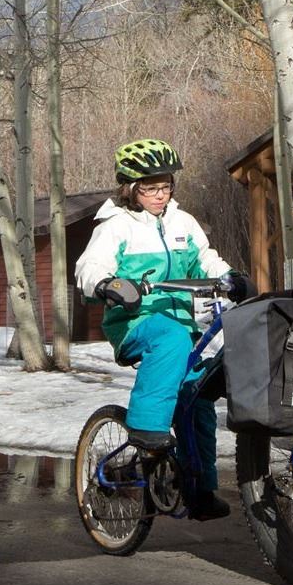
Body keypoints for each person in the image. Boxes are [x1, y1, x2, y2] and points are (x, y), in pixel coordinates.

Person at [76, 138, 251, 521]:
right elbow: (89, 268)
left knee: (198, 397)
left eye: (165, 186)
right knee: (169, 336)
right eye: (150, 188)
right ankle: (146, 426)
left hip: (183, 323)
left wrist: (230, 277)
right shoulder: (116, 225)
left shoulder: (182, 222)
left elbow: (205, 258)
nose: (159, 195)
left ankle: (199, 488)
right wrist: (111, 286)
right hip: (135, 323)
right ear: (130, 189)